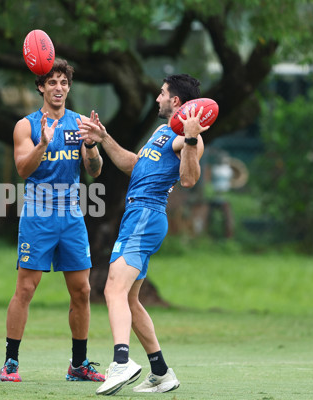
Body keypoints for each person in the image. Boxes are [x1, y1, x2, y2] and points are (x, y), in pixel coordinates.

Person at [77, 74, 207, 396]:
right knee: (130, 300)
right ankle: (161, 372)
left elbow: (189, 179)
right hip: (139, 216)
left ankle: (121, 362)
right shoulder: (163, 132)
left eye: (162, 93)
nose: (158, 98)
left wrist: (191, 139)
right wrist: (104, 138)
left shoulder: (184, 136)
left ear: (176, 101)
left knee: (112, 289)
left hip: (146, 215)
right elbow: (135, 165)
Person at [0, 59, 105, 383]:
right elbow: (22, 169)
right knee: (26, 288)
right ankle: (11, 363)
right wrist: (44, 143)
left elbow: (95, 170)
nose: (58, 88)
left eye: (63, 82)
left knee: (82, 290)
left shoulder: (81, 123)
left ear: (68, 87)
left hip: (72, 215)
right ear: (41, 87)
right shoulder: (26, 126)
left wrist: (90, 145)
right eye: (52, 82)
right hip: (38, 215)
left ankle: (78, 364)